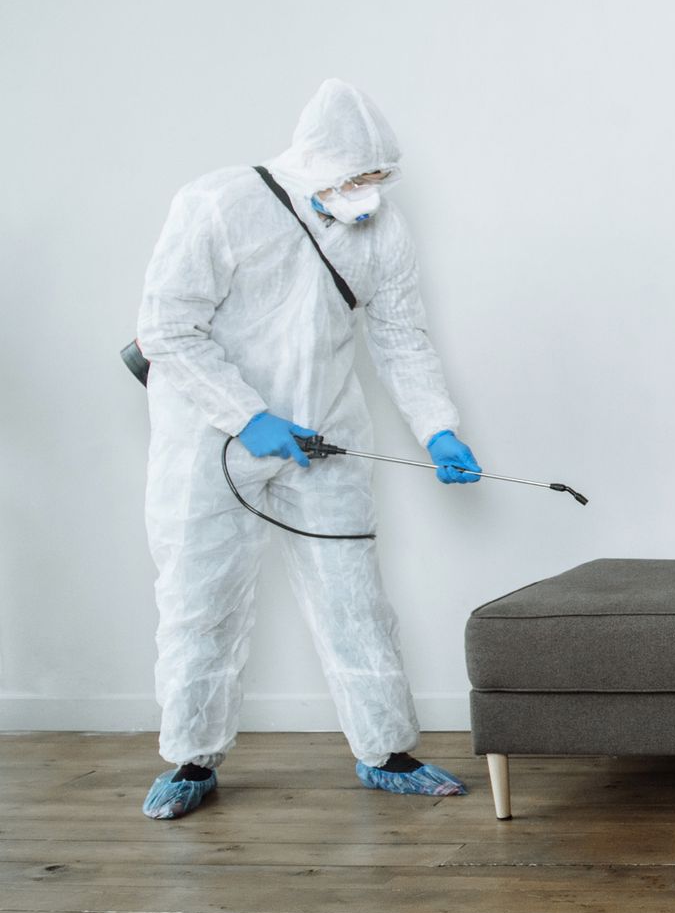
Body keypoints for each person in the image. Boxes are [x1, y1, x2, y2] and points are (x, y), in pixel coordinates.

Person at [136, 79, 479, 820]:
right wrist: (247, 416)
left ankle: (385, 751)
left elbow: (399, 336)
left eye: (379, 178)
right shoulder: (220, 203)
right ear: (318, 162)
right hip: (209, 445)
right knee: (199, 602)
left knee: (353, 598)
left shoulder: (380, 230)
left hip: (325, 438)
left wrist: (436, 426)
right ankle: (192, 759)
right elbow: (167, 328)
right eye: (358, 176)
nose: (369, 190)